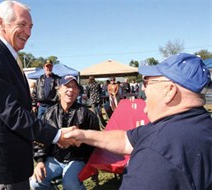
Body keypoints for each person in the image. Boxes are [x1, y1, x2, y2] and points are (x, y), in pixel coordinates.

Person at [64, 53, 212, 190]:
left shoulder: (155, 153)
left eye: (147, 82)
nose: (143, 88)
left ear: (170, 91)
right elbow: (125, 139)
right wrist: (82, 135)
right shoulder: (198, 121)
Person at [0, 1, 75, 189]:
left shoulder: (7, 56)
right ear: (1, 22)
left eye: (30, 27)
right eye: (22, 25)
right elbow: (12, 113)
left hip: (15, 154)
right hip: (6, 159)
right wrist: (56, 134)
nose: (28, 33)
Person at [30, 75, 100, 190]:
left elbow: (96, 140)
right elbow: (39, 141)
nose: (71, 90)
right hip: (54, 159)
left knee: (70, 185)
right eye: (67, 86)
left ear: (78, 92)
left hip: (78, 159)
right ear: (59, 90)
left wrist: (90, 160)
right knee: (35, 182)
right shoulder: (48, 114)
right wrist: (40, 161)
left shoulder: (87, 114)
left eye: (74, 87)